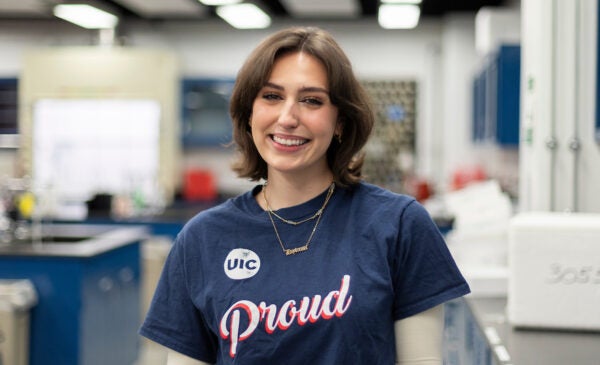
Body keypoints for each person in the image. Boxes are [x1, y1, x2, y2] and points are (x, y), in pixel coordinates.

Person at [140, 26, 470, 365]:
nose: (287, 118)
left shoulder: (398, 225)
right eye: (271, 96)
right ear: (249, 113)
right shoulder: (202, 239)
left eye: (311, 100)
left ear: (340, 120)